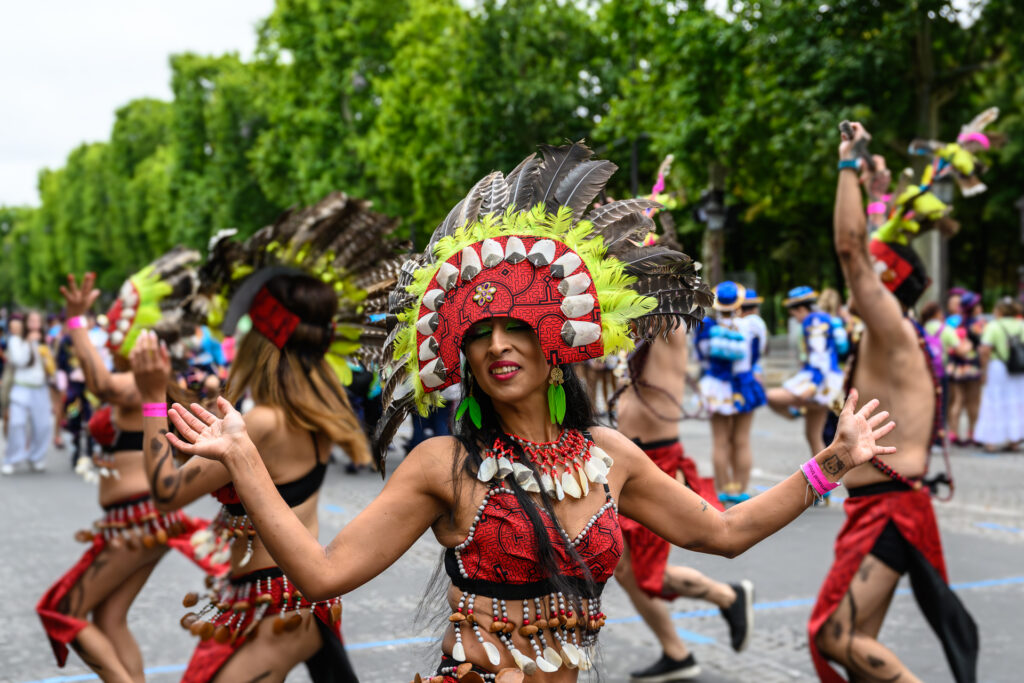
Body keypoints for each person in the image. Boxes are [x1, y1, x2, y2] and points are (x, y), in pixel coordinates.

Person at [163, 144, 895, 681]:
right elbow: (323, 574)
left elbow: (724, 533)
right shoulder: (444, 465)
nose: (497, 345)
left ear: (556, 343)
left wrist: (833, 460)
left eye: (516, 327)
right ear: (462, 356)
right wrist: (244, 461)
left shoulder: (609, 456)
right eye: (478, 334)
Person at [130, 192, 399, 682]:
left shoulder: (264, 423)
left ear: (259, 341)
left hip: (273, 606)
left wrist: (150, 398)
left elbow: (165, 492)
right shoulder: (314, 407)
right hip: (285, 601)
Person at [809, 121, 978, 683]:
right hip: (884, 507)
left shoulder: (891, 332)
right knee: (858, 649)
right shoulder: (895, 334)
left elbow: (852, 249)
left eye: (866, 280)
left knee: (836, 636)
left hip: (888, 511)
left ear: (883, 284)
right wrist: (876, 189)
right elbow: (869, 249)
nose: (854, 285)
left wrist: (847, 165)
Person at [35, 255, 222, 682]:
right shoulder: (142, 381)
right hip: (136, 520)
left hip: (138, 521)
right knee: (109, 619)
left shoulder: (143, 382)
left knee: (61, 610)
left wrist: (76, 323)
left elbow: (100, 384)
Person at [612, 327, 753, 681]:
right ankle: (676, 652)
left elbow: (667, 302)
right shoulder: (634, 334)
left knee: (643, 572)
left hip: (655, 464)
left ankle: (727, 596)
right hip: (632, 460)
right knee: (626, 571)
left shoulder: (667, 329)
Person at [695, 281, 766, 502]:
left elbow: (700, 358)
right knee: (742, 440)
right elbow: (758, 354)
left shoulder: (706, 327)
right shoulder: (751, 326)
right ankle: (741, 490)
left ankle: (724, 489)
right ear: (739, 303)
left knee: (720, 441)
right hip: (743, 384)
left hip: (716, 386)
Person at [767, 288, 844, 458]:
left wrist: (813, 385)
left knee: (770, 396)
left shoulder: (813, 321)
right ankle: (823, 473)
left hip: (820, 380)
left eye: (793, 313)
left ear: (801, 309)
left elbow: (820, 358)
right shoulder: (821, 318)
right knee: (813, 435)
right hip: (824, 378)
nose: (794, 317)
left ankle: (798, 410)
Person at [2, 310, 53, 474]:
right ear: (25, 323)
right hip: (21, 387)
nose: (35, 324)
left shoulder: (45, 341)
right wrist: (29, 343)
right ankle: (12, 458)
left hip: (40, 388)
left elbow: (50, 365)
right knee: (16, 424)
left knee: (43, 426)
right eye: (31, 321)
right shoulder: (16, 340)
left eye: (38, 321)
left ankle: (36, 457)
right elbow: (19, 361)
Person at [974, 297, 1024, 452]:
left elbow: (985, 349)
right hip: (1018, 368)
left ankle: (991, 441)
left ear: (1000, 311)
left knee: (993, 401)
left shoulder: (994, 326)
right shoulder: (1021, 325)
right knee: (1016, 402)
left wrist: (983, 370)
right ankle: (1015, 440)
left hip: (998, 367)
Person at [947, 292, 985, 445]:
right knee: (973, 402)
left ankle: (953, 433)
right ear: (973, 308)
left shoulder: (954, 322)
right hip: (972, 367)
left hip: (956, 366)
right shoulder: (978, 324)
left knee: (957, 400)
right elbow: (983, 345)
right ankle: (973, 433)